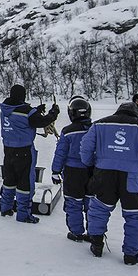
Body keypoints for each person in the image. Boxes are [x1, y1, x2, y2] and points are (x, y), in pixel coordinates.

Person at [80, 102, 138, 265]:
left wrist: (91, 163)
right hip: (131, 175)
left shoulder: (100, 124)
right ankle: (131, 254)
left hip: (103, 173)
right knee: (136, 214)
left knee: (99, 208)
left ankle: (96, 243)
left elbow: (86, 146)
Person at [0, 84, 60, 223]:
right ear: (23, 96)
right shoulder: (27, 111)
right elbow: (41, 121)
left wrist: (35, 110)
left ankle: (5, 207)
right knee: (25, 183)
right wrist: (53, 113)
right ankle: (23, 214)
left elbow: (20, 117)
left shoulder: (5, 108)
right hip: (24, 151)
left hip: (8, 150)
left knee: (9, 180)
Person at [50, 96, 93, 242]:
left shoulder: (68, 131)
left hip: (73, 172)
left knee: (73, 202)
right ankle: (94, 232)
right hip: (93, 172)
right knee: (91, 203)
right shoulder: (96, 129)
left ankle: (76, 232)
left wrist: (55, 171)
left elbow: (60, 153)